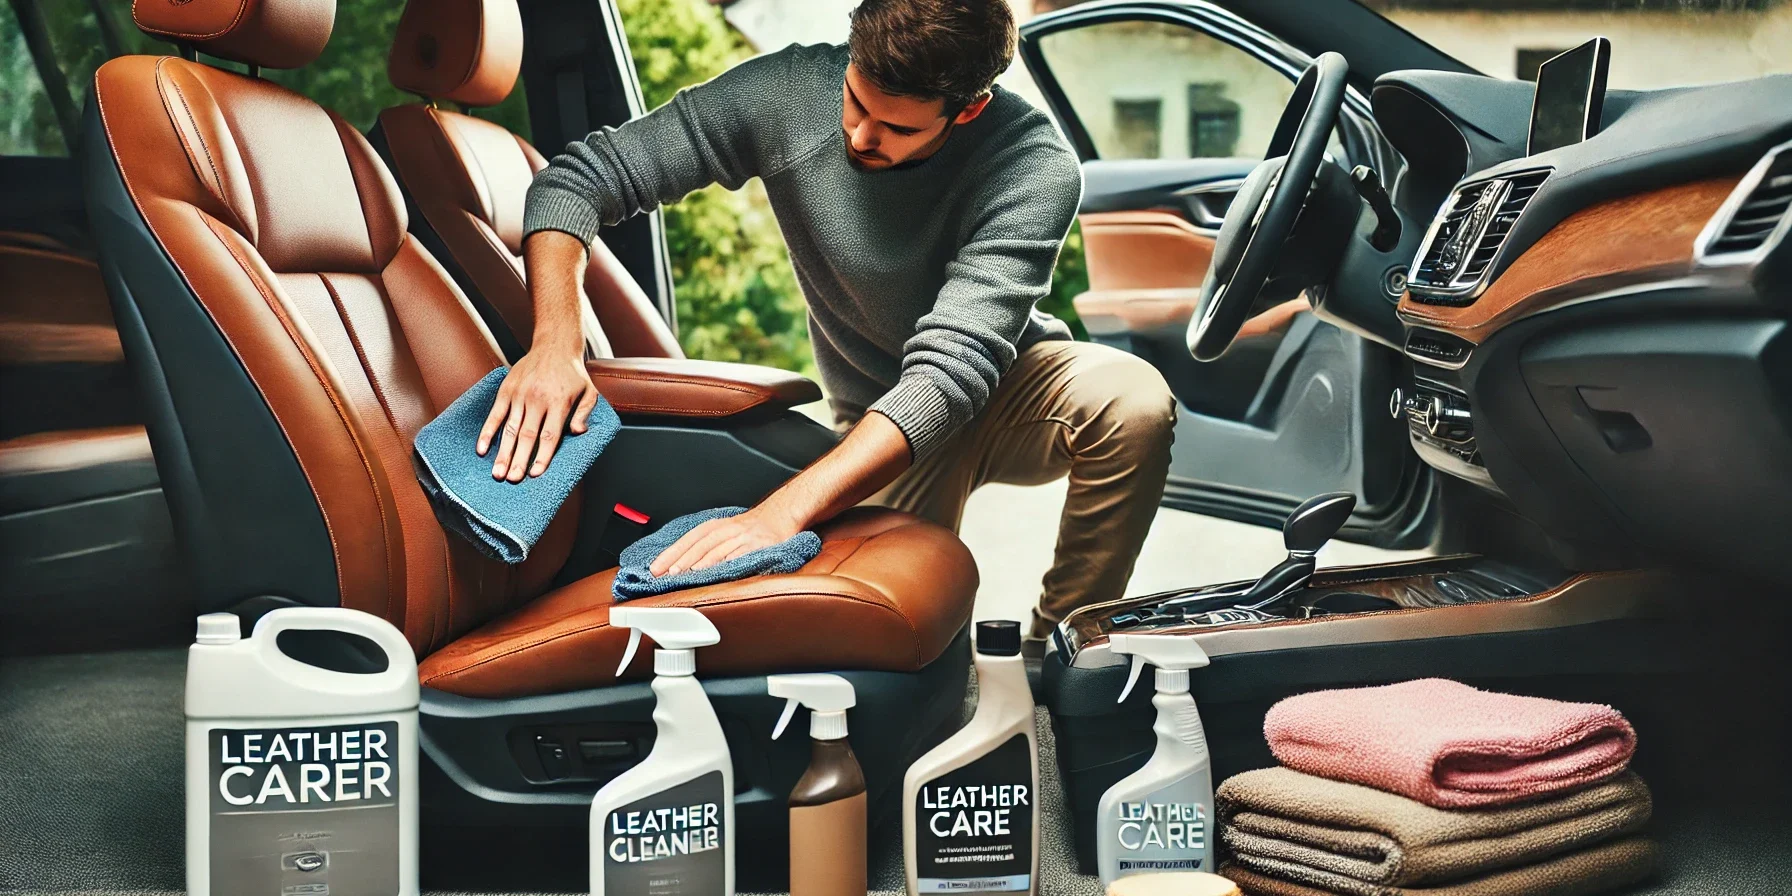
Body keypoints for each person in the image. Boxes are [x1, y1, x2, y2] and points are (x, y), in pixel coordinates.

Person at [484, 0, 1178, 650]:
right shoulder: (787, 90)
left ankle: (1065, 650)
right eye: (854, 100)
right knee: (892, 632)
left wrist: (778, 514)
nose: (859, 134)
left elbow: (949, 374)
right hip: (877, 410)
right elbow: (576, 181)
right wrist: (555, 345)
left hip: (1008, 385)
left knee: (1133, 402)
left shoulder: (1033, 164)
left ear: (968, 113)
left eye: (898, 127)